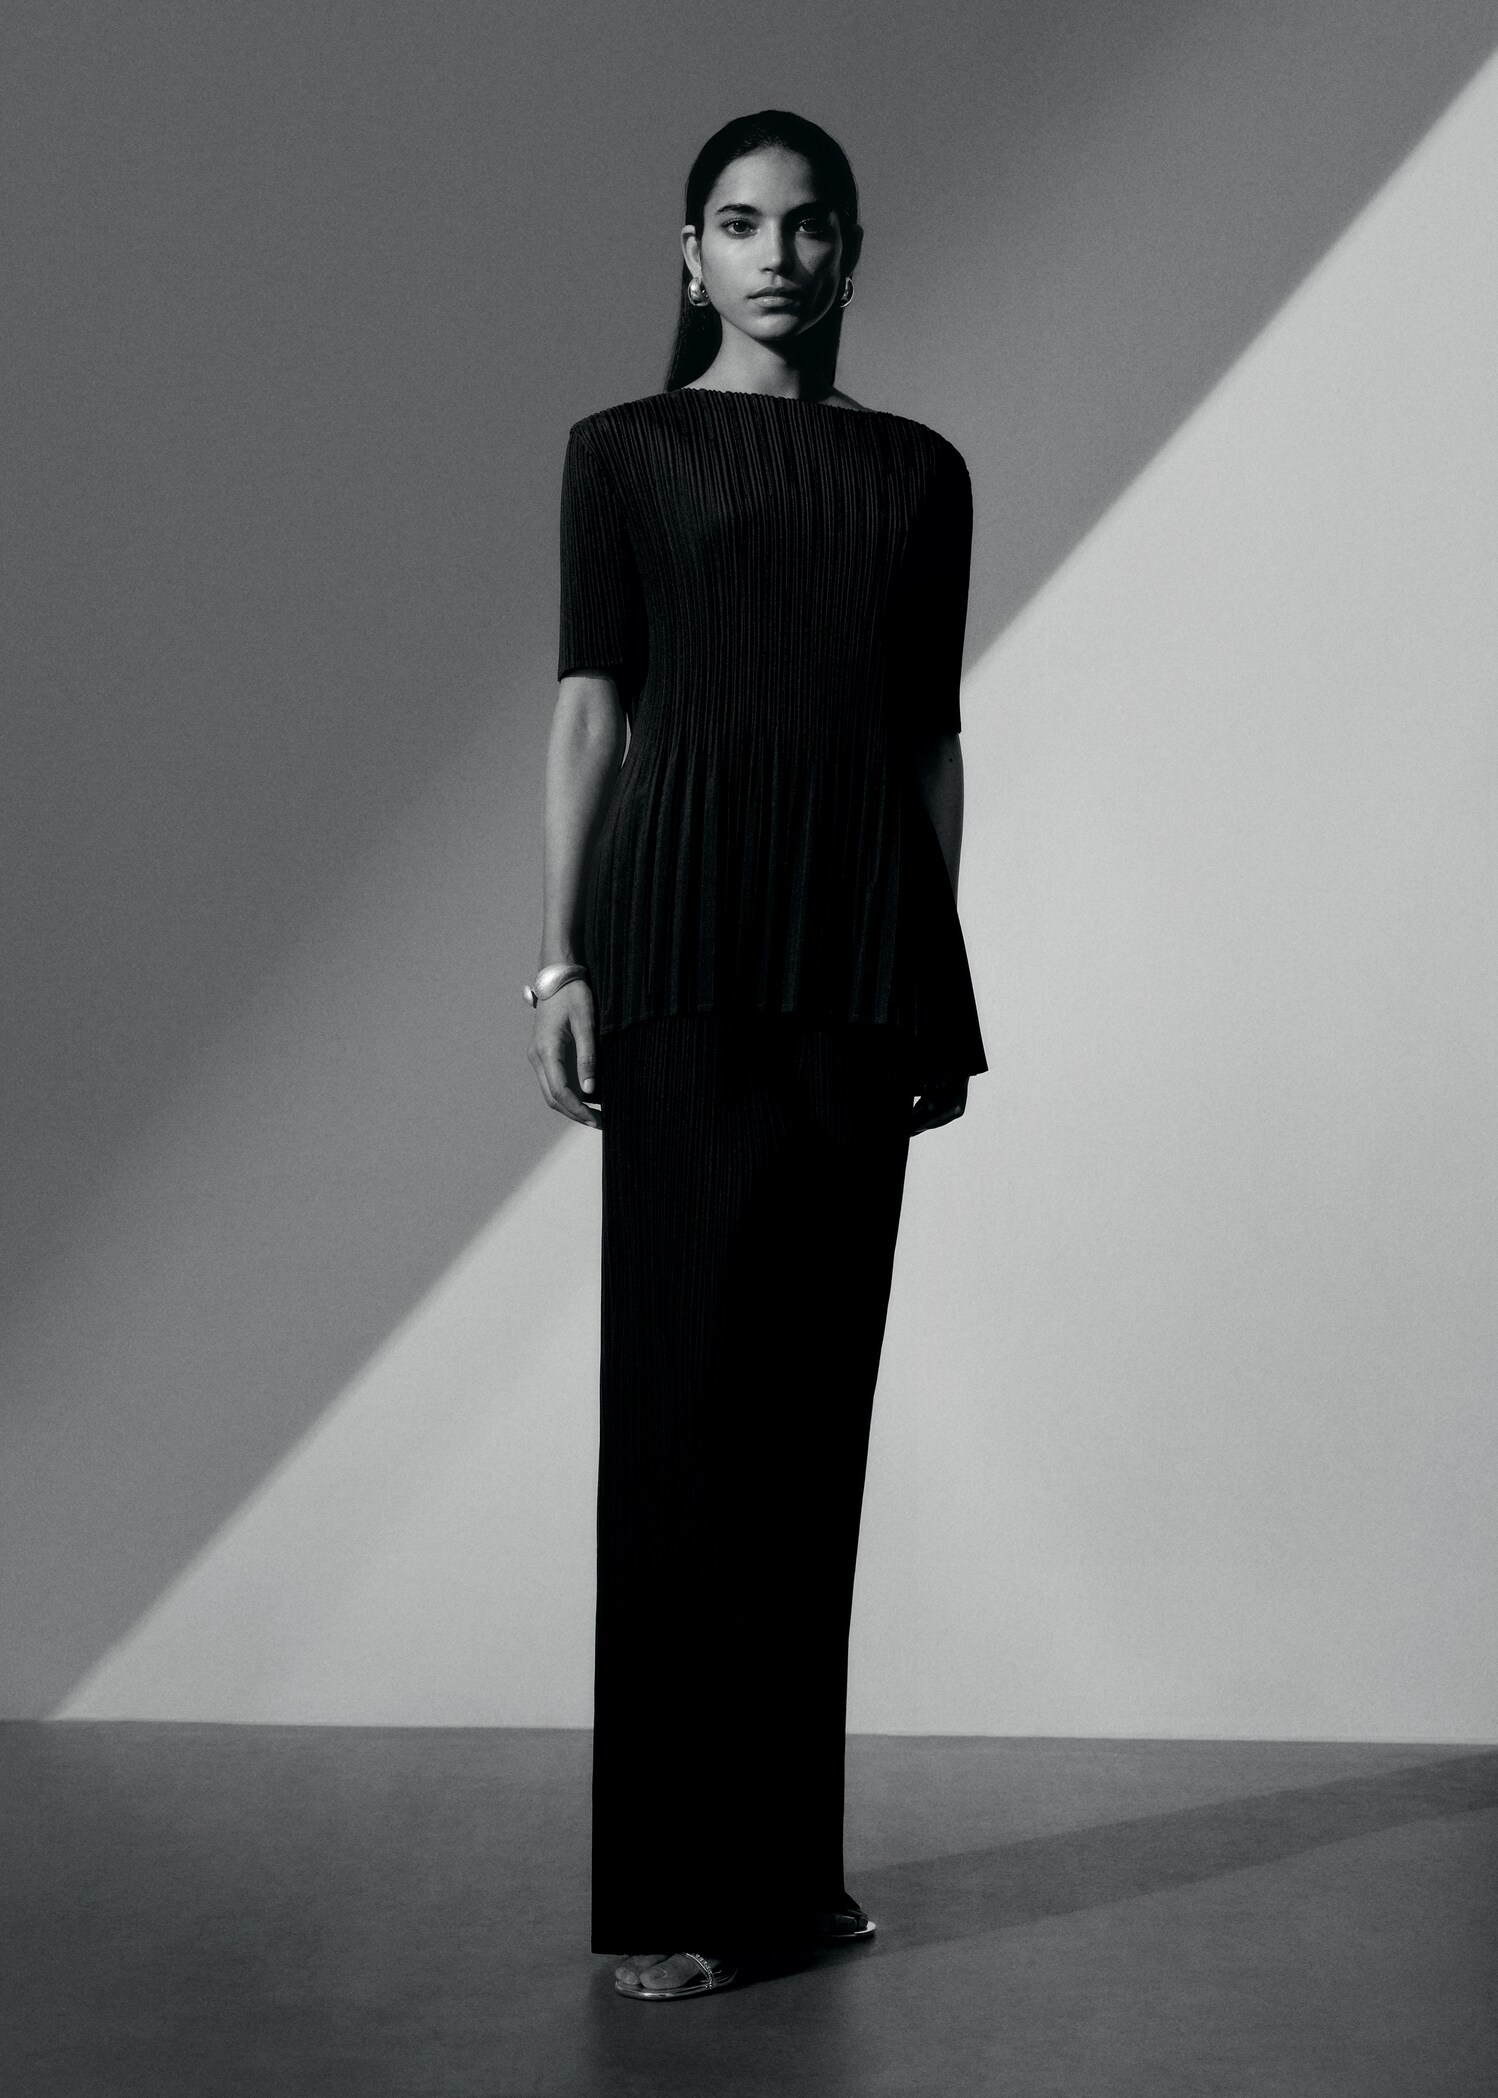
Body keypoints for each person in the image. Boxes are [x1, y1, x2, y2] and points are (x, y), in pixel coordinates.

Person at [527, 109, 987, 2001]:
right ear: (689, 254)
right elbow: (590, 711)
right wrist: (557, 955)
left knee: (810, 1425)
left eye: (806, 225)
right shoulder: (624, 453)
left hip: (856, 957)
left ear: (850, 248)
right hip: (682, 950)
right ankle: (663, 1888)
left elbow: (928, 738)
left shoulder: (919, 473)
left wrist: (931, 967)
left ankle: (784, 1870)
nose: (775, 255)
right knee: (684, 1416)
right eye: (739, 223)